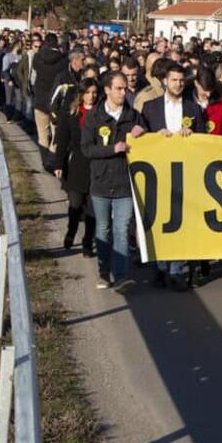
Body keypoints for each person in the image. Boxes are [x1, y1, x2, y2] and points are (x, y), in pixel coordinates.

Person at [141, 63, 207, 290]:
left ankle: (177, 270)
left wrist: (193, 134)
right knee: (159, 221)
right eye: (174, 80)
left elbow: (204, 140)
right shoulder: (150, 108)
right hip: (157, 174)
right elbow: (140, 138)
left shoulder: (193, 108)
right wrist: (153, 137)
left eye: (181, 80)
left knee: (179, 222)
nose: (178, 84)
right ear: (165, 81)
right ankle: (160, 268)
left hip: (184, 174)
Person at [81, 72, 145, 293]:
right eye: (118, 88)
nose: (123, 92)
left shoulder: (133, 115)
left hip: (125, 183)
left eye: (125, 88)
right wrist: (112, 149)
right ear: (107, 90)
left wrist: (143, 132)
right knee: (103, 228)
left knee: (121, 229)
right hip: (100, 182)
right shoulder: (94, 117)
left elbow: (148, 141)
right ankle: (103, 271)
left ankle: (120, 276)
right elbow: (86, 148)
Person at [52, 77, 100, 257]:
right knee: (75, 204)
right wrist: (59, 164)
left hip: (95, 165)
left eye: (94, 92)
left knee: (92, 209)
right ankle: (71, 231)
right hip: (76, 165)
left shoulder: (101, 113)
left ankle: (88, 242)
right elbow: (62, 141)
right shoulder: (71, 114)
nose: (91, 96)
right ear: (81, 94)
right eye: (88, 93)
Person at [32, 33, 69, 157]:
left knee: (42, 134)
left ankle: (44, 159)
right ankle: (53, 160)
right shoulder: (63, 61)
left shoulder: (37, 58)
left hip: (40, 100)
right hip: (56, 102)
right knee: (56, 135)